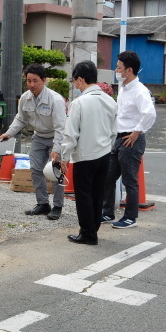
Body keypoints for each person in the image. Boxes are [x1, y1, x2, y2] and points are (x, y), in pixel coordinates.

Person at [60, 61, 117, 245]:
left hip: (85, 155)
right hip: (105, 153)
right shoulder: (110, 101)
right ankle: (94, 228)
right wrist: (107, 147)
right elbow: (114, 131)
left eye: (75, 81)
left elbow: (71, 134)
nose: (75, 85)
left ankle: (87, 234)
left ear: (81, 79)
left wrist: (64, 157)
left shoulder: (79, 103)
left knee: (83, 195)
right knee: (98, 193)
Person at [0, 63, 67, 220]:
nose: (31, 85)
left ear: (44, 80)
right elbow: (20, 119)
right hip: (38, 137)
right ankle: (43, 204)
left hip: (56, 137)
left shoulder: (55, 100)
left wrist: (56, 149)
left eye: (35, 81)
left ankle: (57, 206)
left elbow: (60, 128)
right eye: (28, 81)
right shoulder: (25, 98)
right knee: (36, 170)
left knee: (56, 172)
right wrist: (9, 133)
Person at [101, 51, 156, 228]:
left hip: (131, 139)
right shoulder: (124, 88)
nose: (116, 70)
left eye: (119, 67)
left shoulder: (140, 91)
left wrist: (136, 132)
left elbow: (150, 113)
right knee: (108, 177)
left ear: (129, 70)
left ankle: (130, 217)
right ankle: (107, 212)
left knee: (129, 180)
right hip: (119, 138)